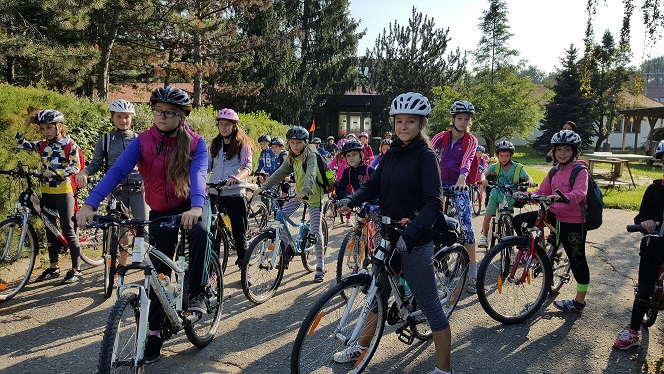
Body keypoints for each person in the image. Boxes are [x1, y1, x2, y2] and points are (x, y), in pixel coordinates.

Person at [76, 86, 210, 364]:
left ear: (182, 116)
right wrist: (89, 204)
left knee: (200, 232)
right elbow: (116, 171)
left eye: (169, 113)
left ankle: (197, 292)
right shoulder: (143, 141)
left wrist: (196, 206)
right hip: (160, 210)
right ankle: (153, 335)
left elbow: (198, 174)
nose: (162, 116)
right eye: (158, 111)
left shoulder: (196, 143)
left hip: (190, 206)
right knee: (157, 275)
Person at [335, 92, 452, 374]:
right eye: (399, 121)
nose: (403, 126)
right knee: (378, 291)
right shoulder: (391, 154)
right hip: (387, 234)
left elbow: (435, 203)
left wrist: (412, 232)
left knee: (431, 305)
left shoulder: (425, 156)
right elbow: (372, 186)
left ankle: (444, 369)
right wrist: (351, 199)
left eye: (410, 121)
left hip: (414, 239)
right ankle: (361, 347)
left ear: (421, 123)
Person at [513, 130, 590, 313]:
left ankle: (579, 302)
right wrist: (525, 196)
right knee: (518, 221)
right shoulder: (554, 170)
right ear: (553, 152)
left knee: (578, 260)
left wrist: (562, 197)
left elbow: (580, 193)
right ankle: (534, 251)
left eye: (567, 150)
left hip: (573, 221)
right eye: (559, 150)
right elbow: (541, 193)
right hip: (553, 215)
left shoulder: (580, 170)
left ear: (575, 152)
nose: (562, 154)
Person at [75, 99, 149, 269]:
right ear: (112, 118)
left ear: (132, 118)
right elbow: (96, 164)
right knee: (121, 232)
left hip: (138, 189)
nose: (123, 120)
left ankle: (143, 263)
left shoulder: (140, 139)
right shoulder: (105, 140)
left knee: (143, 229)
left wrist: (147, 180)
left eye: (127, 117)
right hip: (116, 191)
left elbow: (148, 164)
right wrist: (84, 172)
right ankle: (121, 267)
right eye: (119, 117)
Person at [18, 109, 83, 284]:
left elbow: (75, 167)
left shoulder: (70, 145)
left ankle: (76, 269)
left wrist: (55, 172)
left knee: (68, 231)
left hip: (64, 193)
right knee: (50, 232)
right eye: (43, 128)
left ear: (59, 126)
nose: (46, 131)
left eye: (49, 127)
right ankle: (54, 267)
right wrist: (28, 122)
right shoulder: (42, 145)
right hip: (47, 193)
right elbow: (19, 143)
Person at [255, 126, 326, 282]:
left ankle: (320, 265)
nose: (295, 146)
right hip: (299, 194)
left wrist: (306, 191)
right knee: (281, 215)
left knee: (315, 229)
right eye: (292, 142)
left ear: (305, 143)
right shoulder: (291, 157)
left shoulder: (311, 154)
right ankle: (287, 249)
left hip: (313, 195)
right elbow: (280, 173)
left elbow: (311, 174)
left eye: (298, 143)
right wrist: (263, 187)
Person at [612, 142, 664, 350]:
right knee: (645, 289)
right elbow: (640, 216)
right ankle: (633, 332)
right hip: (656, 243)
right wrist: (645, 223)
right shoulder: (654, 190)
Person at [431, 100, 479, 294]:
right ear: (452, 119)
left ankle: (473, 273)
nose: (463, 122)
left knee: (467, 226)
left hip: (459, 185)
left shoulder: (471, 140)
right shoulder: (440, 137)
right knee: (431, 222)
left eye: (467, 119)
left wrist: (462, 179)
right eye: (459, 118)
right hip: (439, 186)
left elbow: (467, 160)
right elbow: (429, 154)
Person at [208, 108, 253, 267]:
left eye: (227, 124)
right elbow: (206, 166)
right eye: (221, 124)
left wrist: (236, 178)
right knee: (212, 233)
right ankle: (213, 270)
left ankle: (244, 266)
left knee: (239, 233)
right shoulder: (214, 144)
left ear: (234, 126)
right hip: (215, 192)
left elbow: (247, 168)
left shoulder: (243, 144)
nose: (223, 127)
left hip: (235, 193)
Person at [477, 141, 534, 248]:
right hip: (496, 194)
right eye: (501, 156)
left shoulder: (517, 167)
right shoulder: (495, 166)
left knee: (509, 221)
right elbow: (484, 174)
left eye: (507, 155)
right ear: (497, 156)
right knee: (488, 216)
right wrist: (483, 179)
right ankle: (484, 237)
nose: (504, 158)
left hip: (510, 196)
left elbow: (528, 177)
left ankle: (510, 249)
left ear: (511, 155)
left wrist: (530, 181)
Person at [335, 139, 375, 227]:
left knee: (375, 232)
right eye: (348, 156)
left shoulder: (369, 170)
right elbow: (340, 189)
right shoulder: (347, 171)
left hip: (374, 206)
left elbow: (379, 188)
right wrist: (347, 199)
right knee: (359, 230)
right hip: (359, 204)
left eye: (354, 154)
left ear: (361, 155)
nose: (351, 158)